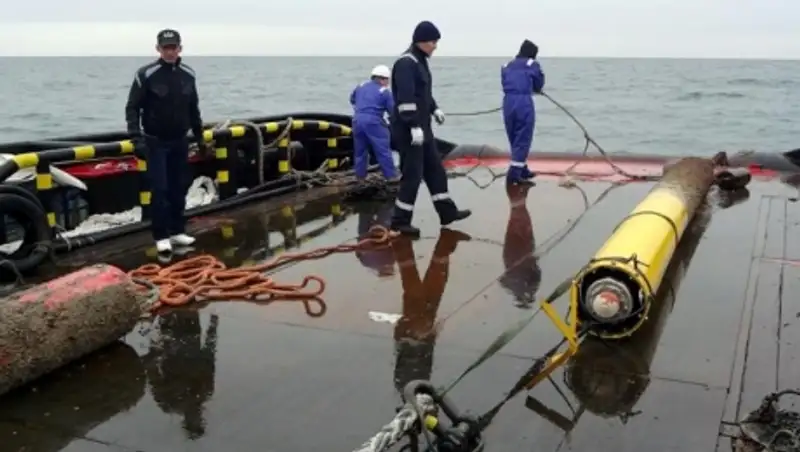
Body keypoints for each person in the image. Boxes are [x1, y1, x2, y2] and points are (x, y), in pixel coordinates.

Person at [125, 29, 210, 254]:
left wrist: (200, 138)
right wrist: (136, 139)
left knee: (178, 187)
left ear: (180, 48)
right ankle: (161, 235)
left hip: (180, 140)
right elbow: (132, 108)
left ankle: (177, 230)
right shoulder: (146, 74)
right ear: (158, 49)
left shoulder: (188, 74)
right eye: (166, 48)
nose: (170, 52)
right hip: (155, 142)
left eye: (174, 47)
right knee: (160, 189)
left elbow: (194, 109)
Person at [389, 21, 471, 238]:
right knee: (412, 175)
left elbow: (423, 93)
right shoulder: (406, 63)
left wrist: (435, 108)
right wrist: (413, 126)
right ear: (421, 41)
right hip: (409, 131)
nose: (435, 46)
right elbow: (405, 99)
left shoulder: (420, 62)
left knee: (435, 170)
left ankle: (447, 213)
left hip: (423, 128)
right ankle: (399, 221)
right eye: (433, 42)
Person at [392, 229, 471, 393]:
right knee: (426, 301)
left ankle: (434, 249)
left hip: (413, 344)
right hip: (414, 346)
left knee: (419, 301)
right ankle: (436, 249)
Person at [501, 39, 545, 185]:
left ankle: (522, 168)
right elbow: (539, 82)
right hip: (523, 102)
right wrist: (536, 89)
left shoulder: (506, 65)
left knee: (514, 136)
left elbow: (504, 82)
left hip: (508, 101)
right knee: (523, 137)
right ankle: (514, 174)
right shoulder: (532, 64)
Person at [350, 65, 400, 182]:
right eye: (387, 80)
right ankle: (391, 176)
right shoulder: (384, 92)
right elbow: (393, 111)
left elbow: (352, 100)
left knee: (360, 151)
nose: (388, 83)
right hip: (373, 122)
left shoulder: (360, 86)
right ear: (383, 79)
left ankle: (360, 177)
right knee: (383, 149)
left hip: (357, 120)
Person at [498, 184, 541, 309]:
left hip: (515, 256)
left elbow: (503, 281)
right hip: (519, 255)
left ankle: (519, 198)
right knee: (521, 229)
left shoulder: (519, 286)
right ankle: (520, 198)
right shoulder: (529, 286)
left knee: (519, 229)